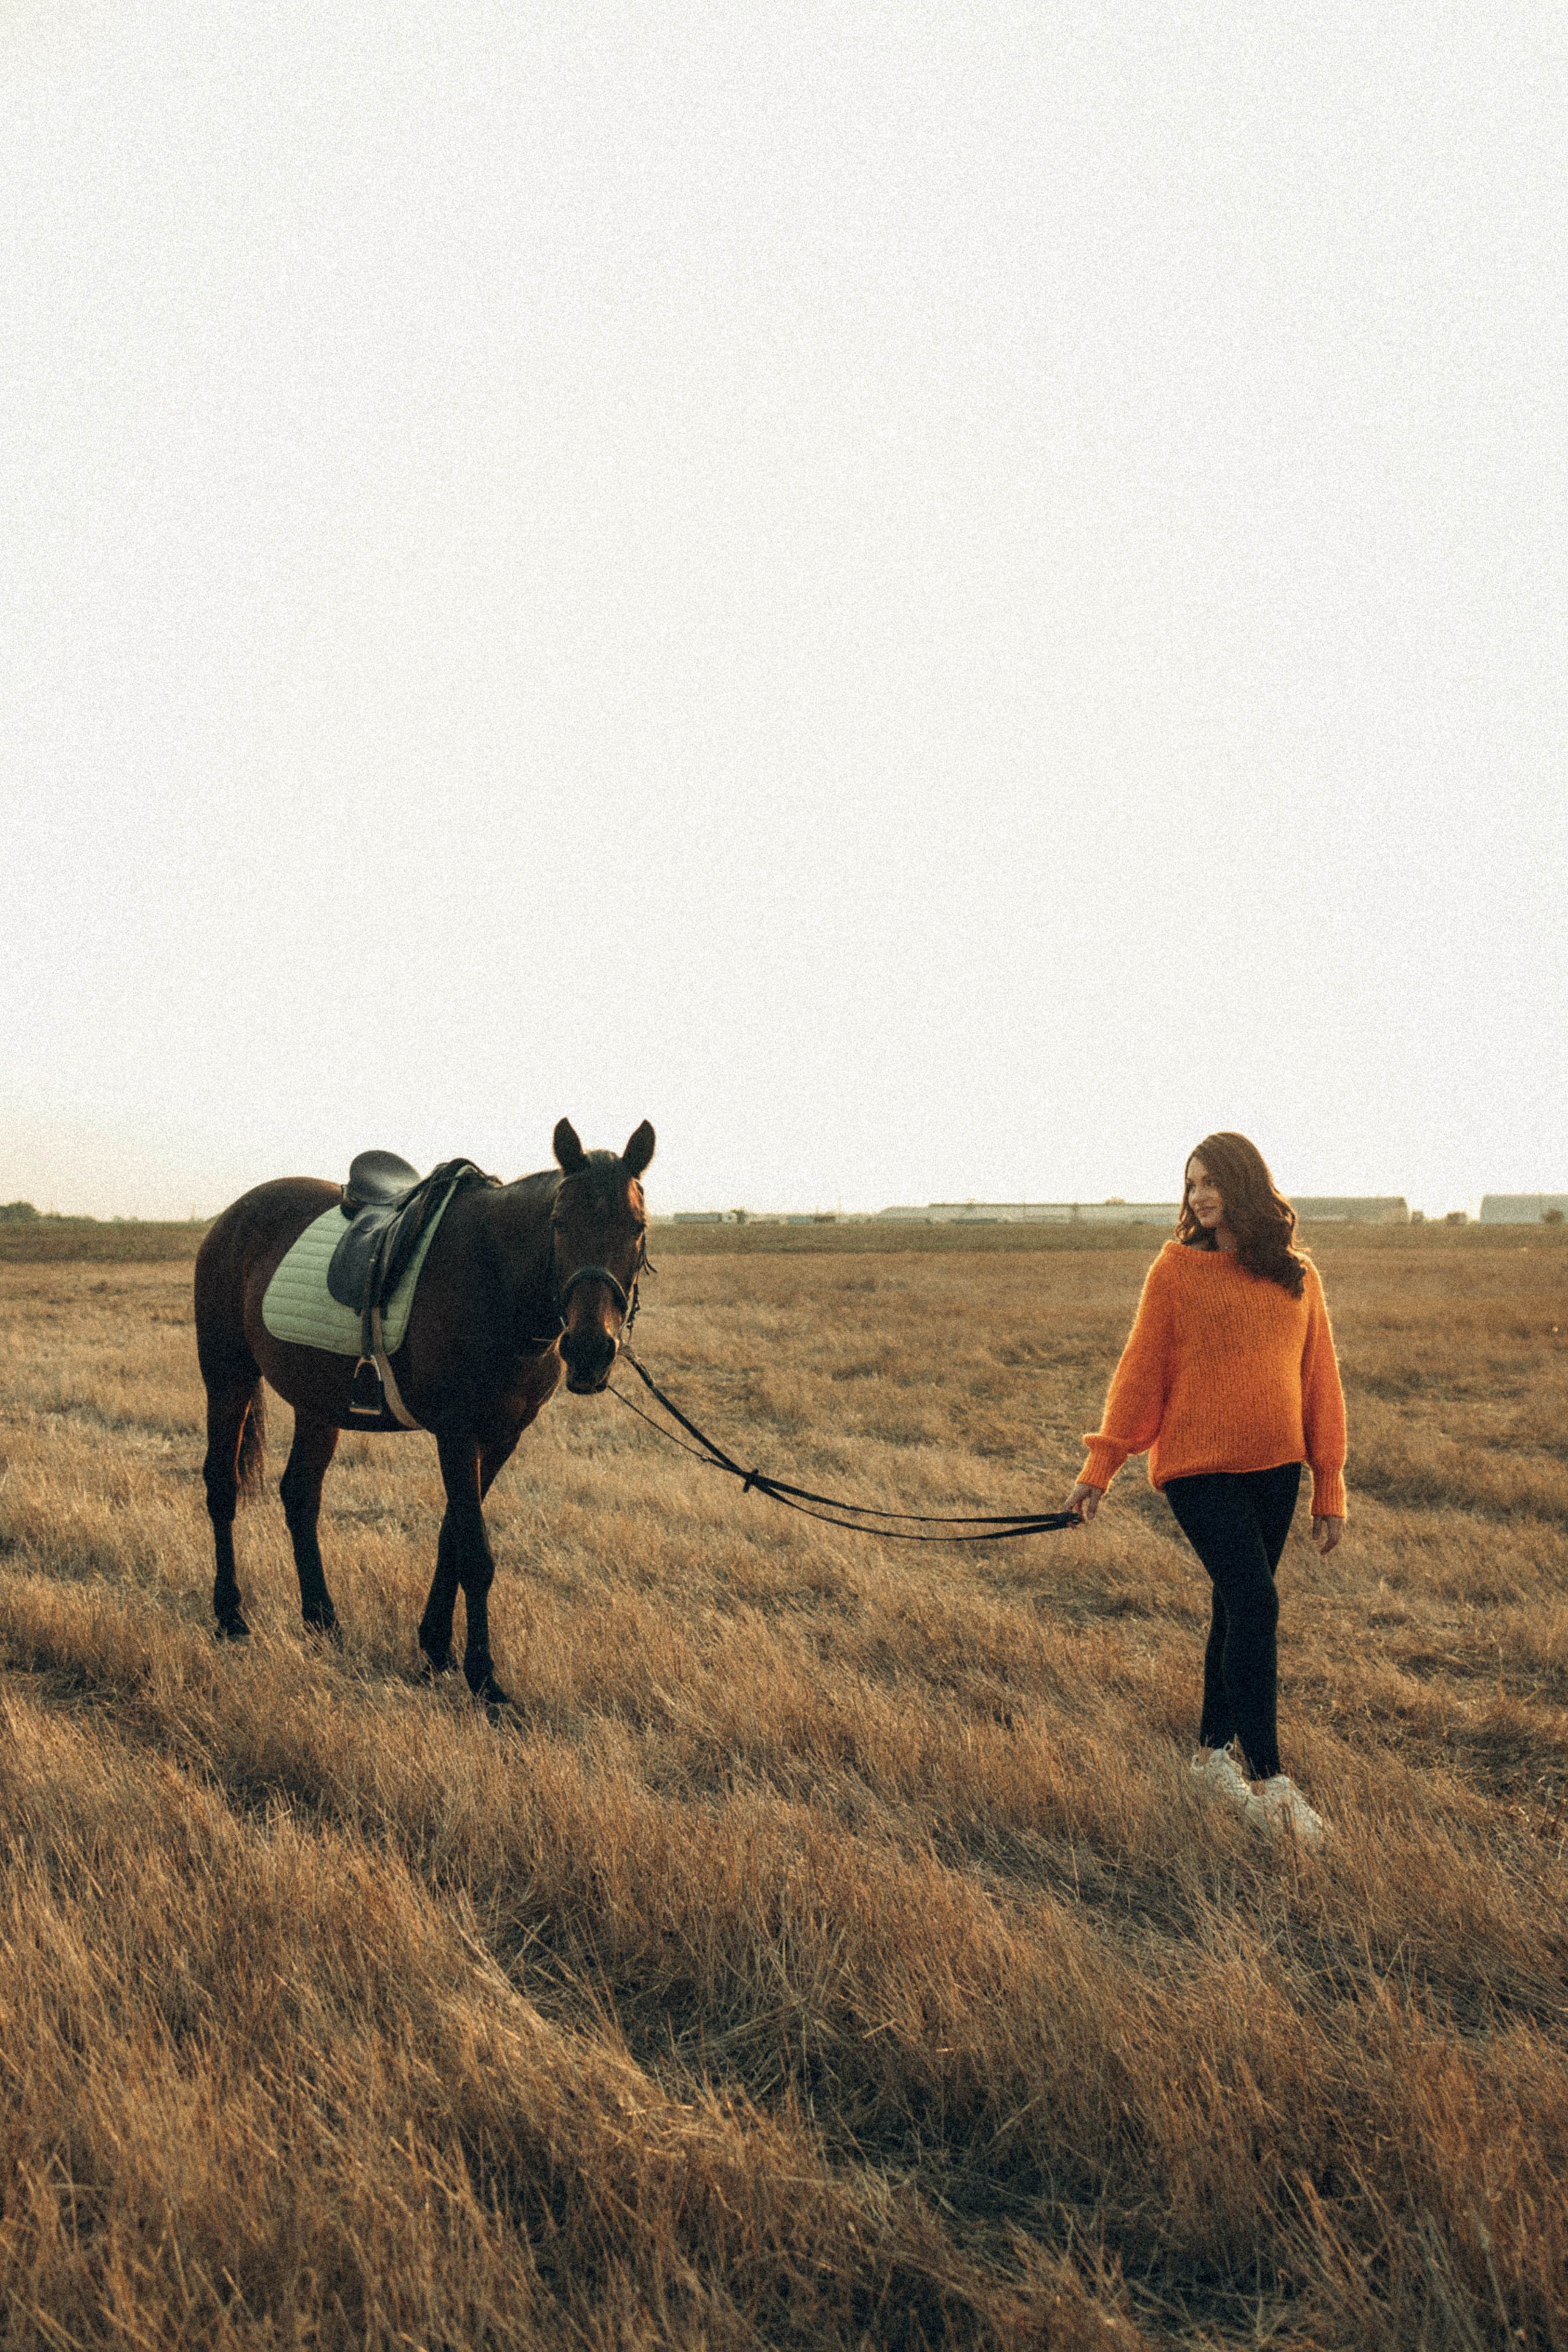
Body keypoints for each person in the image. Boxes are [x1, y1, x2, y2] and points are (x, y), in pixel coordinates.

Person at [1065, 1133, 1346, 1842]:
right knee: (1256, 1603)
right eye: (1191, 1185)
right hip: (1198, 1471)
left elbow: (1320, 1384)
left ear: (1244, 1184)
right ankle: (1271, 1783)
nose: (1198, 1197)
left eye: (1210, 1181)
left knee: (1234, 1606)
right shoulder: (1174, 1271)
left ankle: (1210, 1757)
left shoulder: (1297, 1277)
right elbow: (1139, 1376)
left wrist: (1329, 1485)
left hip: (1276, 1468)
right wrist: (1100, 1471)